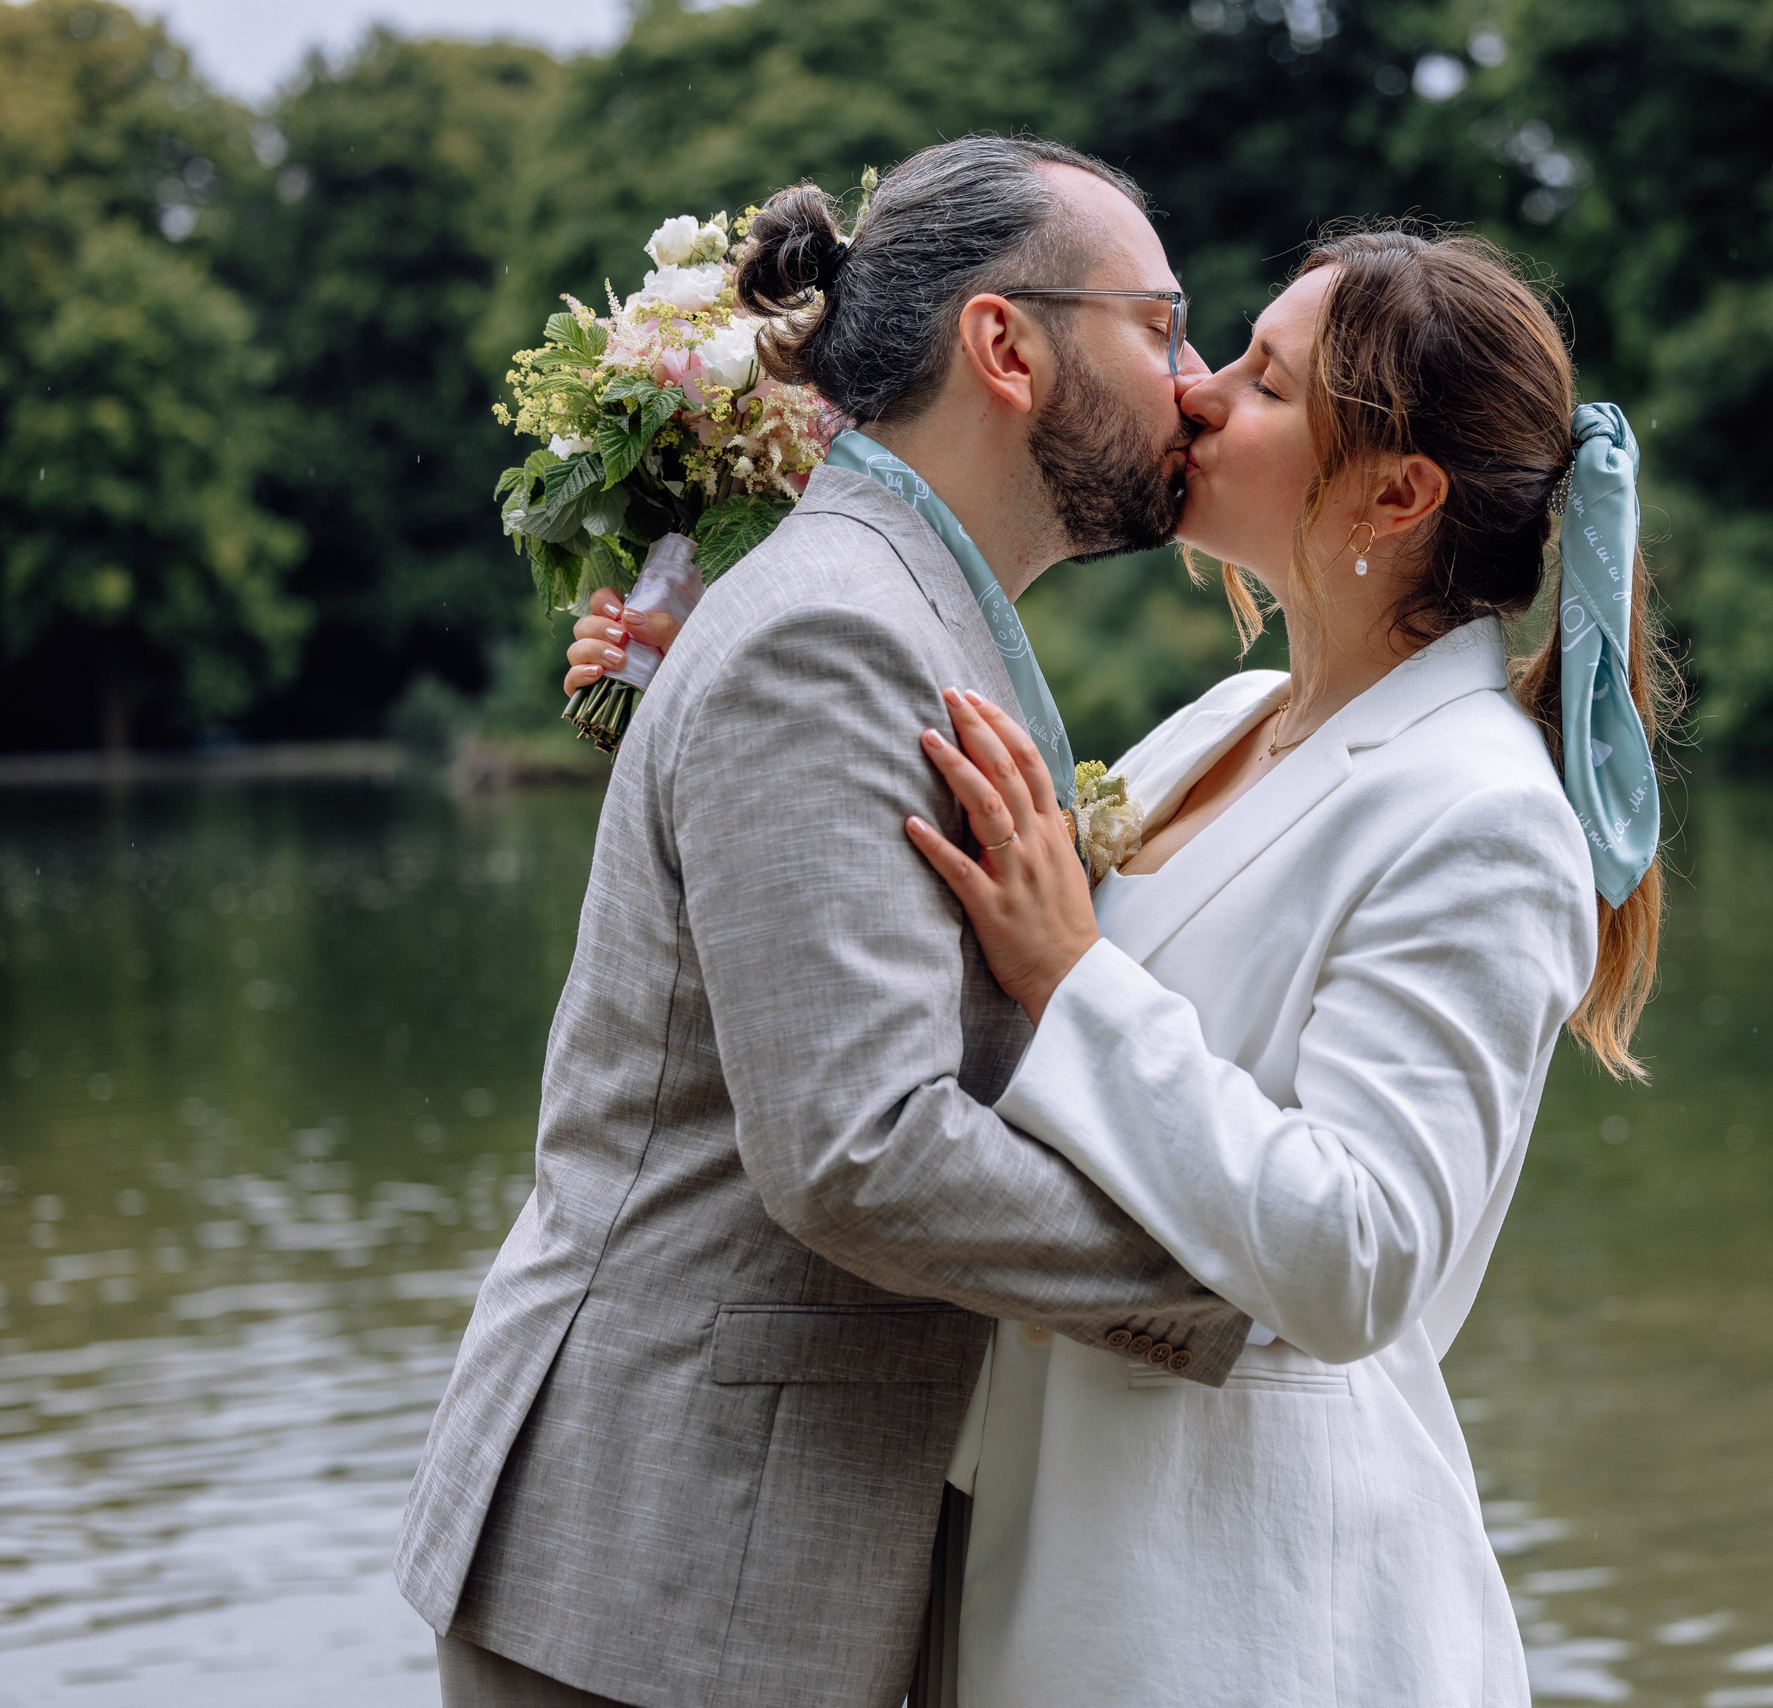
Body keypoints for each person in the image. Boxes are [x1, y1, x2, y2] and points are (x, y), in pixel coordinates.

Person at [569, 226, 1671, 1704]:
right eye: (1223, 354)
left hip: (1252, 1593)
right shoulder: (1230, 719)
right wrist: (705, 697)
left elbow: (1364, 1259)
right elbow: (958, 973)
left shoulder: (1483, 811)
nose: (1199, 394)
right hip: (1053, 1535)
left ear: (1398, 494)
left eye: (1264, 383)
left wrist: (1080, 978)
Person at [397, 135, 1254, 1708]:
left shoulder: (900, 605)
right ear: (1006, 344)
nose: (1195, 381)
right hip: (660, 1572)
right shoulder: (832, 633)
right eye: (1161, 323)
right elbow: (855, 1147)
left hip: (738, 1560)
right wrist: (1237, 1274)